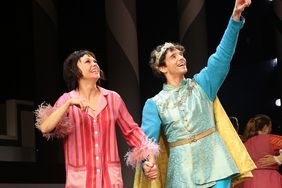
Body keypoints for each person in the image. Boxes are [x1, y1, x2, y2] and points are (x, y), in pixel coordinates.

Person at [134, 0, 254, 187]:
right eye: (173, 56)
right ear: (162, 68)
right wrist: (146, 162)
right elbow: (147, 141)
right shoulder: (154, 103)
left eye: (181, 54)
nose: (181, 58)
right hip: (182, 173)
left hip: (217, 164)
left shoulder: (202, 84)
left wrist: (235, 17)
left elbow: (222, 56)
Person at [34, 50, 159, 188]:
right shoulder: (67, 99)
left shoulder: (113, 98)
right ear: (75, 71)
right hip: (80, 182)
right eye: (88, 61)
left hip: (110, 181)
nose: (94, 64)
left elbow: (132, 132)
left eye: (95, 61)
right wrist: (68, 104)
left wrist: (150, 158)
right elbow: (45, 127)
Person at [238, 114, 282, 188]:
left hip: (249, 181)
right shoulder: (271, 139)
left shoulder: (243, 145)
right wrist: (278, 159)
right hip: (269, 179)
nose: (271, 130)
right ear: (265, 128)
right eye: (270, 127)